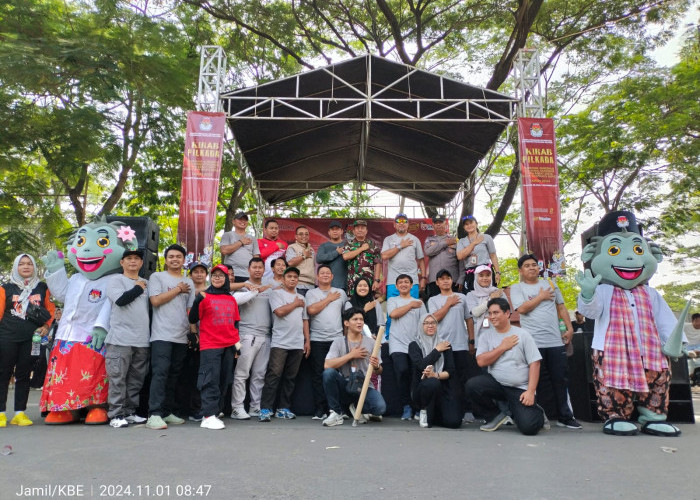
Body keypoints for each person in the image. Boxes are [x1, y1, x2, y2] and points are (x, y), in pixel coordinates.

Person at [510, 253, 581, 429]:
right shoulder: (517, 288)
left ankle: (565, 416)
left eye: (534, 264)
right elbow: (522, 309)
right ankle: (539, 416)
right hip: (533, 342)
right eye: (527, 265)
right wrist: (540, 297)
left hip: (555, 341)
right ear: (521, 270)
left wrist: (569, 327)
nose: (532, 267)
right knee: (536, 381)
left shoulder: (550, 283)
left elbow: (561, 306)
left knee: (560, 379)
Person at [466, 298, 545, 435]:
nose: (492, 317)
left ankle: (535, 412)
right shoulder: (486, 336)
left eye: (496, 313)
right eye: (490, 313)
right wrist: (502, 348)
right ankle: (495, 416)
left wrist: (531, 391)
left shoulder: (522, 334)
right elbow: (481, 361)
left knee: (529, 428)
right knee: (472, 385)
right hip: (497, 385)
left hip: (519, 388)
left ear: (507, 313)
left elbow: (535, 363)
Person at [0, 254, 55, 427]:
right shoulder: (6, 288)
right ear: (16, 267)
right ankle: (1, 413)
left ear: (34, 267)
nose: (26, 267)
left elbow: (50, 310)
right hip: (7, 337)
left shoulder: (42, 288)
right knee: (3, 374)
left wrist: (46, 326)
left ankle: (19, 413)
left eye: (29, 264)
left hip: (32, 339)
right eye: (22, 264)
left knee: (24, 375)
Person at [146, 244, 196, 430]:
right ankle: (154, 414)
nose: (175, 259)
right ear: (166, 260)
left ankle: (167, 411)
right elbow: (155, 301)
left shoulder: (188, 282)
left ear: (184, 261)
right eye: (171, 256)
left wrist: (193, 333)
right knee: (160, 374)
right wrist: (177, 290)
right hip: (161, 335)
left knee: (174, 375)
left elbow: (189, 310)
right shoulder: (157, 277)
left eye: (179, 257)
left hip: (181, 336)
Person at [188, 265, 241, 430]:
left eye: (221, 275)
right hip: (210, 344)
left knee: (224, 380)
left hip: (229, 344)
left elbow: (235, 323)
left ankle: (215, 412)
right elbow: (193, 318)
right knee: (210, 379)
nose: (217, 278)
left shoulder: (231, 299)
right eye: (214, 275)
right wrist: (198, 300)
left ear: (226, 278)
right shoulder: (204, 296)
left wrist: (237, 347)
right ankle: (208, 415)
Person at [104, 249, 150, 428]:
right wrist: (138, 288)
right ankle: (116, 414)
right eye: (129, 259)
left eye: (137, 259)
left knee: (136, 379)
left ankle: (130, 412)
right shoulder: (116, 280)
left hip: (142, 339)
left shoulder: (147, 282)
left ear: (141, 263)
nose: (133, 261)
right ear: (122, 263)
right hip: (119, 339)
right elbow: (121, 300)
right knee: (117, 378)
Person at [259, 267, 310, 422]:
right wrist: (295, 304)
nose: (292, 279)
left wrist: (307, 341)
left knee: (291, 377)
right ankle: (265, 409)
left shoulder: (302, 297)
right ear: (283, 279)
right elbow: (279, 312)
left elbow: (305, 320)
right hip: (280, 342)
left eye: (295, 277)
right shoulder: (276, 294)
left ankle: (283, 408)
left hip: (297, 342)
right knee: (273, 375)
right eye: (289, 276)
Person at [427, 269, 478, 423]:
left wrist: (471, 340)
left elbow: (469, 320)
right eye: (441, 279)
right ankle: (448, 410)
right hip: (442, 346)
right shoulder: (433, 300)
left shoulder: (462, 297)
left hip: (461, 344)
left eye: (448, 278)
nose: (445, 281)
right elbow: (434, 319)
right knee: (445, 379)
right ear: (437, 283)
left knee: (463, 378)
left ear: (452, 280)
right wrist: (448, 304)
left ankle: (467, 410)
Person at [321, 308, 386, 427]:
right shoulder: (338, 341)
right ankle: (336, 413)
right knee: (329, 373)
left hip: (364, 386)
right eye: (355, 319)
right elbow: (327, 365)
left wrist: (376, 366)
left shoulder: (372, 343)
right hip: (345, 384)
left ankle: (357, 407)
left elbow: (379, 371)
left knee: (380, 408)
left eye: (361, 319)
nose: (359, 322)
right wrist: (351, 355)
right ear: (346, 323)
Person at [230, 257, 274, 420]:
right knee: (241, 374)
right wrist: (254, 290)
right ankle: (237, 408)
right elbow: (234, 300)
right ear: (248, 269)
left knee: (259, 375)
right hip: (247, 335)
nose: (257, 270)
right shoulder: (242, 288)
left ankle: (255, 407)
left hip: (266, 336)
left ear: (264, 270)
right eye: (254, 267)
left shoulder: (269, 288)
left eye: (260, 267)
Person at [305, 265, 348, 419]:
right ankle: (320, 410)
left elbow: (347, 316)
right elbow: (311, 310)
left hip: (337, 340)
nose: (325, 275)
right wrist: (328, 299)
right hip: (317, 339)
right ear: (317, 277)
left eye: (327, 273)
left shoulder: (341, 293)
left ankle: (336, 409)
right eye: (322, 273)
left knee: (337, 375)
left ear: (332, 276)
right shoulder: (311, 293)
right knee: (318, 375)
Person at [408, 313, 462, 428]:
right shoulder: (414, 345)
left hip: (442, 389)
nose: (430, 326)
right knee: (432, 382)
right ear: (420, 326)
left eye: (433, 323)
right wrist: (437, 350)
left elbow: (450, 371)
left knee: (454, 422)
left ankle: (435, 414)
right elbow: (421, 365)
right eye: (426, 323)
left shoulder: (445, 345)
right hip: (422, 390)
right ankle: (423, 410)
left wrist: (435, 375)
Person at [387, 274, 427, 420]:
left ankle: (417, 408)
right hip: (397, 343)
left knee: (416, 376)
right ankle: (406, 406)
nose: (403, 284)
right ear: (396, 286)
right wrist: (410, 305)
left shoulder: (420, 303)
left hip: (415, 344)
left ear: (412, 286)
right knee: (402, 371)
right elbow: (393, 314)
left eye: (406, 282)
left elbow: (425, 322)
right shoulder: (393, 300)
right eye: (400, 282)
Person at [176, 261, 209, 422]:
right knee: (184, 375)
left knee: (200, 376)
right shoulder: (185, 291)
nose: (199, 274)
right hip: (186, 337)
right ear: (190, 274)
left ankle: (198, 409)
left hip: (207, 339)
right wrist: (193, 334)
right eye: (195, 271)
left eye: (202, 271)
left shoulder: (211, 291)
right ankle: (181, 409)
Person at [456, 215, 500, 293]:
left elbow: (493, 255)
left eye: (471, 223)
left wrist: (497, 272)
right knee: (471, 296)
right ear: (464, 227)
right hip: (470, 272)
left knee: (489, 295)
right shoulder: (461, 241)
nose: (469, 225)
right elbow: (460, 256)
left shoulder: (486, 237)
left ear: (476, 223)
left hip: (485, 271)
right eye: (466, 224)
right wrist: (474, 243)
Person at [465, 265, 505, 348]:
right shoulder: (471, 295)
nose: (485, 278)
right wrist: (491, 299)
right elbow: (475, 312)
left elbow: (507, 313)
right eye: (481, 275)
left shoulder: (499, 292)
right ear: (476, 277)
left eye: (488, 275)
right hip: (480, 337)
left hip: (499, 335)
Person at [424, 215, 461, 299]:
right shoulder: (429, 239)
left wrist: (461, 278)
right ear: (433, 225)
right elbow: (428, 252)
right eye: (436, 223)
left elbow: (461, 260)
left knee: (453, 306)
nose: (438, 224)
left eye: (441, 222)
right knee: (436, 307)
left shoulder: (455, 240)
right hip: (434, 280)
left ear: (446, 224)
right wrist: (445, 243)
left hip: (452, 280)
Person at [342, 220, 382, 293]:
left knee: (368, 302)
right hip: (353, 282)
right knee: (353, 303)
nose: (360, 230)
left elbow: (378, 263)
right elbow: (345, 256)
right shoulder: (349, 244)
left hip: (368, 282)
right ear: (353, 231)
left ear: (366, 231)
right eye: (357, 228)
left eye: (362, 228)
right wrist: (362, 249)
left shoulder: (373, 245)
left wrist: (376, 280)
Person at [220, 212, 260, 283]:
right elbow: (224, 250)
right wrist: (240, 242)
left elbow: (256, 258)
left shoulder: (252, 238)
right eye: (240, 219)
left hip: (248, 275)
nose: (243, 221)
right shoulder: (228, 235)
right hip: (231, 274)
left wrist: (255, 273)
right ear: (233, 221)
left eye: (245, 220)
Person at [315, 221, 348, 291]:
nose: (335, 231)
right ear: (329, 232)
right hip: (327, 285)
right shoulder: (324, 246)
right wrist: (336, 252)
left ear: (342, 231)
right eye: (333, 229)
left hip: (344, 284)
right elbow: (319, 258)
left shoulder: (347, 245)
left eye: (337, 229)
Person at [285, 226, 316, 295]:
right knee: (299, 305)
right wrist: (303, 256)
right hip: (298, 285)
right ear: (296, 236)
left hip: (311, 285)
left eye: (306, 234)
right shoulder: (292, 247)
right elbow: (290, 263)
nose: (304, 236)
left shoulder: (311, 249)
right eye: (301, 234)